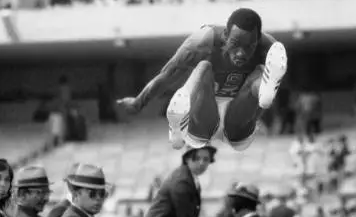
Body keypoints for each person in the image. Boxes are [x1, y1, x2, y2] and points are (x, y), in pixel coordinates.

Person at [117, 8, 287, 152]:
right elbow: (168, 74)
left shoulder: (269, 47)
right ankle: (179, 119)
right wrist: (138, 102)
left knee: (260, 72)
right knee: (204, 67)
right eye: (235, 44)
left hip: (238, 115)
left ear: (257, 41)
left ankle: (263, 89)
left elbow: (264, 103)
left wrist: (261, 112)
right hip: (204, 114)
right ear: (225, 35)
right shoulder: (202, 42)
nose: (241, 53)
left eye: (249, 46)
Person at [140, 145, 216, 217]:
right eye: (197, 158)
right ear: (187, 159)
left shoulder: (190, 178)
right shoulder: (182, 181)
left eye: (206, 159)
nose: (202, 163)